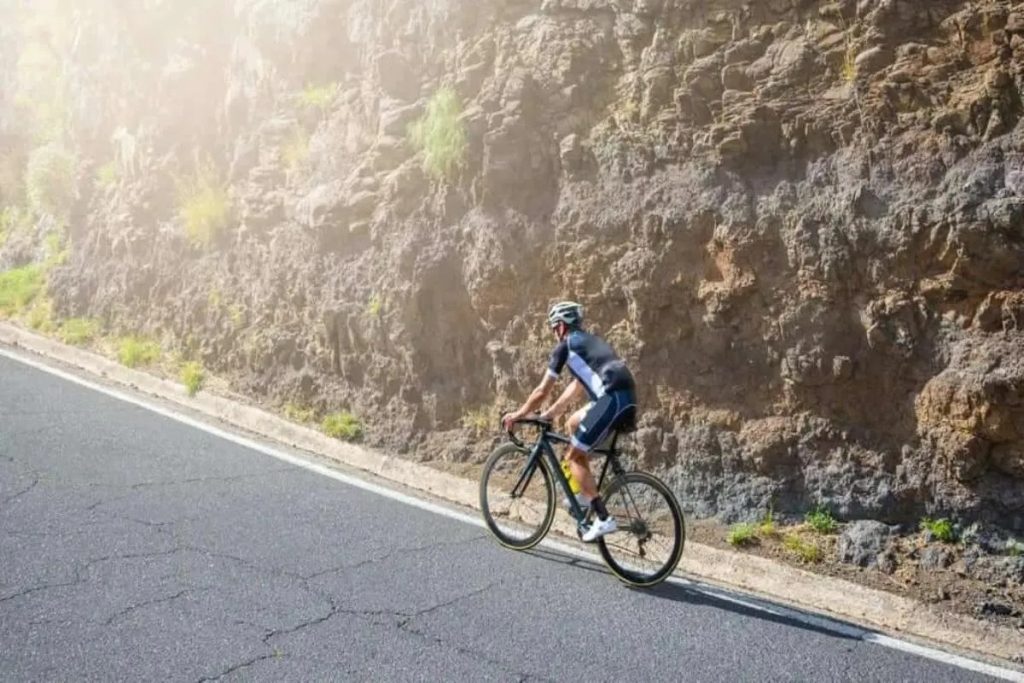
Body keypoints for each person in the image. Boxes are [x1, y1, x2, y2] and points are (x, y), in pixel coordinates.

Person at [503, 301, 637, 542]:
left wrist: (519, 414)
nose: (555, 333)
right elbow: (576, 388)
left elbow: (542, 390)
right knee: (573, 425)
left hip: (610, 400)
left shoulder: (566, 346)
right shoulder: (589, 342)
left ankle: (603, 518)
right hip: (625, 398)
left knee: (573, 455)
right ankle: (585, 495)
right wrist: (549, 415)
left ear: (562, 327)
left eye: (554, 328)